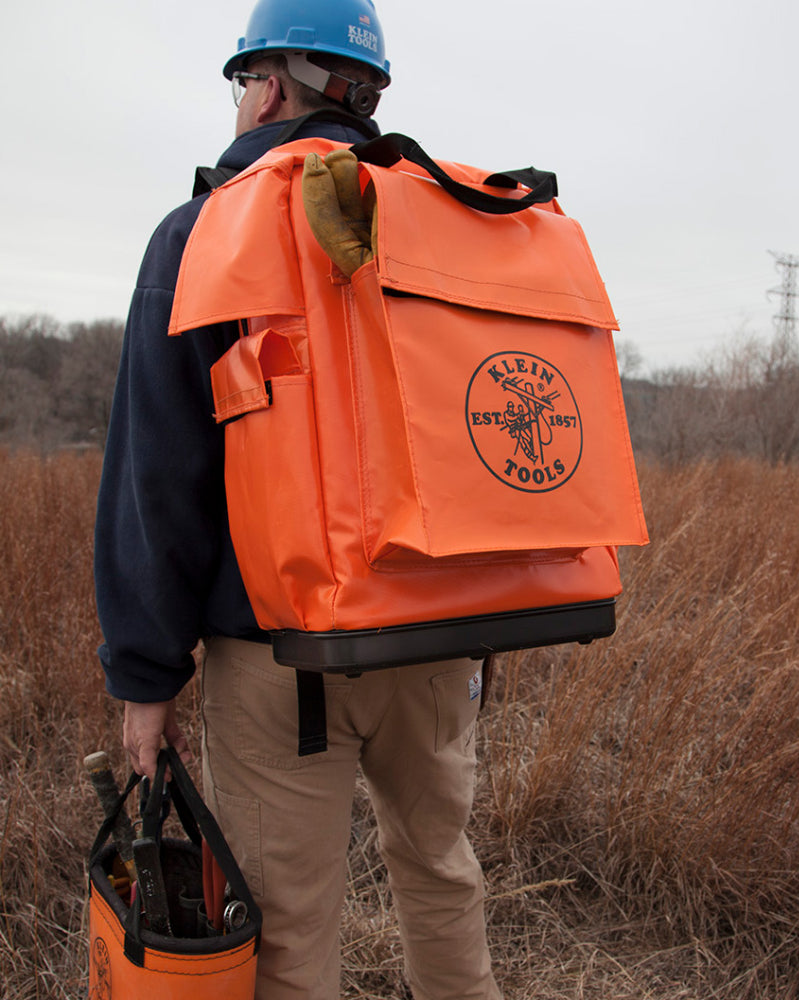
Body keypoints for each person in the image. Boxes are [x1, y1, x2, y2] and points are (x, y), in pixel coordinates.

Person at [93, 2, 502, 998]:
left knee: (286, 930)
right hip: (439, 631)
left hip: (283, 652)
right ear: (364, 96)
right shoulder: (449, 219)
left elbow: (160, 475)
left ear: (270, 85)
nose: (238, 103)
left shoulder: (204, 232)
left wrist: (146, 678)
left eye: (240, 83)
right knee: (442, 871)